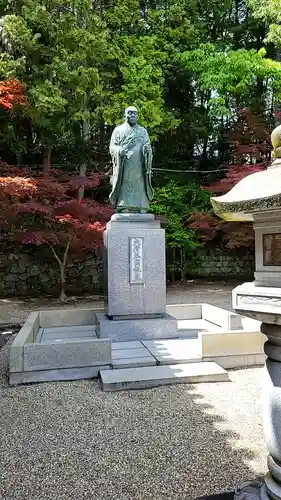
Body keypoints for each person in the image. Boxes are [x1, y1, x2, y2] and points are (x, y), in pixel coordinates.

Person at [109, 106, 153, 213]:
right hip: (125, 165)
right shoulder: (118, 130)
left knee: (139, 184)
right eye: (130, 113)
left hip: (139, 165)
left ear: (138, 116)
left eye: (134, 114)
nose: (132, 115)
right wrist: (119, 151)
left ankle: (141, 206)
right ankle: (124, 206)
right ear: (125, 115)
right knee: (125, 183)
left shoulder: (143, 131)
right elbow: (112, 147)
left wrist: (147, 150)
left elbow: (148, 147)